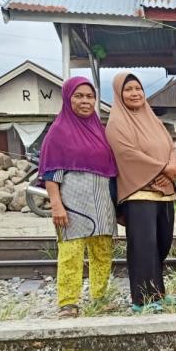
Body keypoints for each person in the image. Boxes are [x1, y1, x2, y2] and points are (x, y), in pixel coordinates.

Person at [38, 76, 117, 319]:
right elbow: (51, 171)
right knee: (71, 253)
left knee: (102, 251)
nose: (85, 101)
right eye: (79, 96)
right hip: (72, 202)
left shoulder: (100, 131)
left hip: (102, 201)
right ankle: (68, 303)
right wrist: (56, 205)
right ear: (67, 98)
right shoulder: (59, 131)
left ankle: (99, 297)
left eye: (90, 96)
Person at [106, 71, 176, 313]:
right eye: (128, 90)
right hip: (139, 193)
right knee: (143, 245)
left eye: (138, 89)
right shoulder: (117, 122)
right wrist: (161, 169)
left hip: (164, 191)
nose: (135, 93)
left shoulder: (152, 119)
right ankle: (142, 298)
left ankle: (158, 291)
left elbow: (170, 146)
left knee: (163, 242)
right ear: (119, 93)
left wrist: (170, 166)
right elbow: (127, 154)